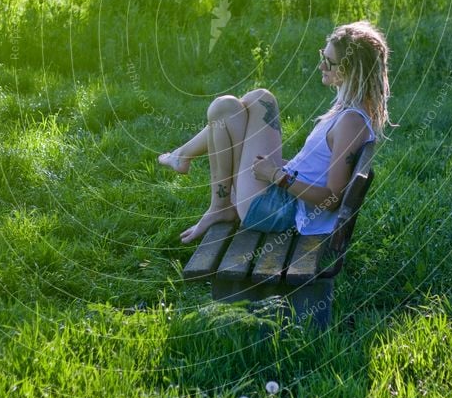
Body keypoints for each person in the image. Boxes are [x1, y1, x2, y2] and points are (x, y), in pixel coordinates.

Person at [158, 20, 391, 244]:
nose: (321, 66)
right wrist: (278, 169)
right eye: (323, 56)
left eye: (329, 62)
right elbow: (317, 170)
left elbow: (331, 199)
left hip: (279, 210)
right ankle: (193, 170)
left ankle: (212, 197)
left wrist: (276, 176)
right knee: (237, 105)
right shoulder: (347, 112)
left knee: (232, 105)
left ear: (351, 71)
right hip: (279, 198)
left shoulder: (351, 123)